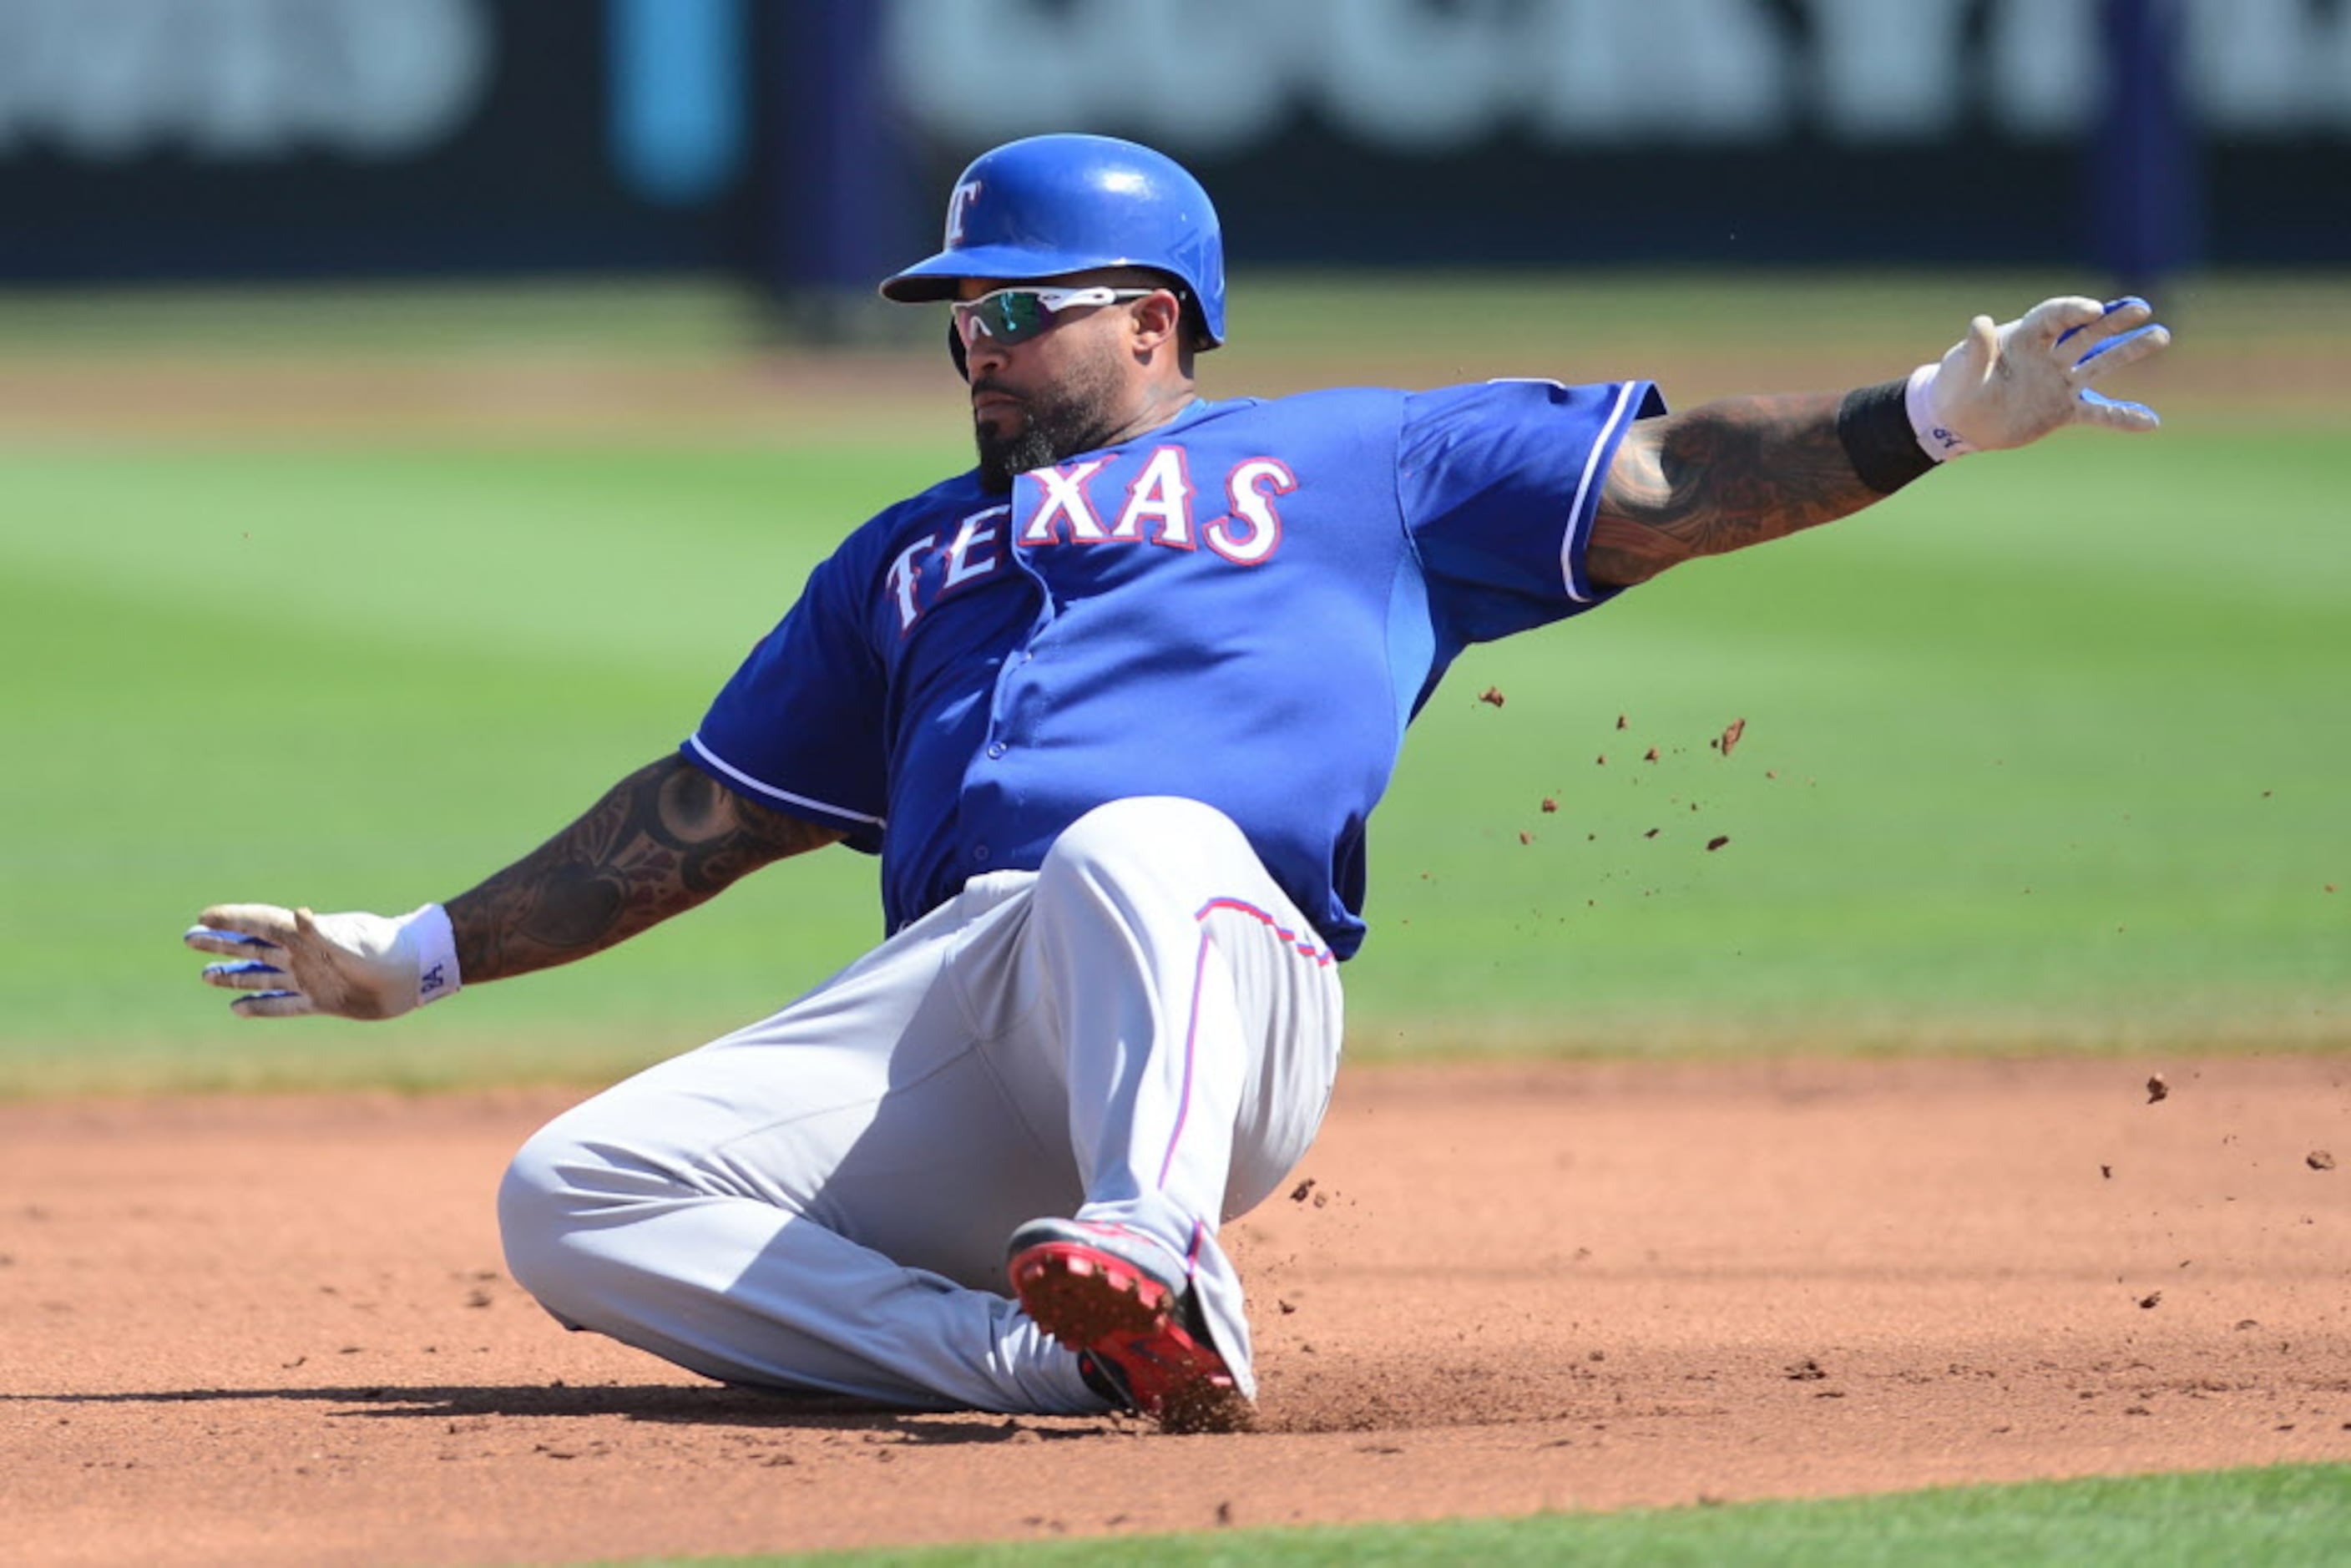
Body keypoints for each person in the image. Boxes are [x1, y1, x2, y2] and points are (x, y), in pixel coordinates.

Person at [185, 133, 2170, 1434]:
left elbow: (1666, 484)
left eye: (1016, 304)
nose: (973, 337)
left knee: (1132, 836)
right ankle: (1047, 1361)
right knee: (572, 1197)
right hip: (966, 1007)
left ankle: (1162, 1239)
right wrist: (415, 951)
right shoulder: (902, 558)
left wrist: (1922, 421)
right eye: (961, 308)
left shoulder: (1364, 460)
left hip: (1212, 973)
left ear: (1151, 317)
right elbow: (698, 818)